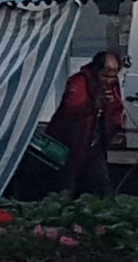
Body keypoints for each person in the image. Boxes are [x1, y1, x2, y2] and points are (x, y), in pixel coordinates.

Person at [47, 49, 125, 194]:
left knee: (101, 185)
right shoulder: (79, 81)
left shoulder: (113, 85)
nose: (109, 81)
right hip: (70, 142)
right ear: (96, 70)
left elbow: (116, 108)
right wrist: (93, 104)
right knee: (66, 183)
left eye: (113, 77)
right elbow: (71, 108)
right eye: (105, 76)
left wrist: (116, 124)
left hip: (94, 142)